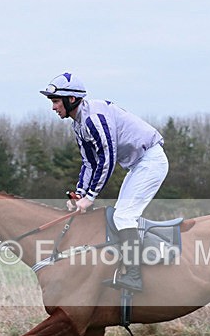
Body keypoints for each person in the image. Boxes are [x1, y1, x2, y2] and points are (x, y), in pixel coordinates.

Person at [40, 72, 169, 292]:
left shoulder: (93, 120)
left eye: (56, 101)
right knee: (121, 215)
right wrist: (80, 193)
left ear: (71, 99)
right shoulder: (78, 124)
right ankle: (130, 266)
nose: (53, 107)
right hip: (138, 164)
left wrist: (90, 197)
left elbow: (107, 159)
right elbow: (89, 162)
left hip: (150, 161)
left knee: (124, 216)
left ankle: (135, 276)